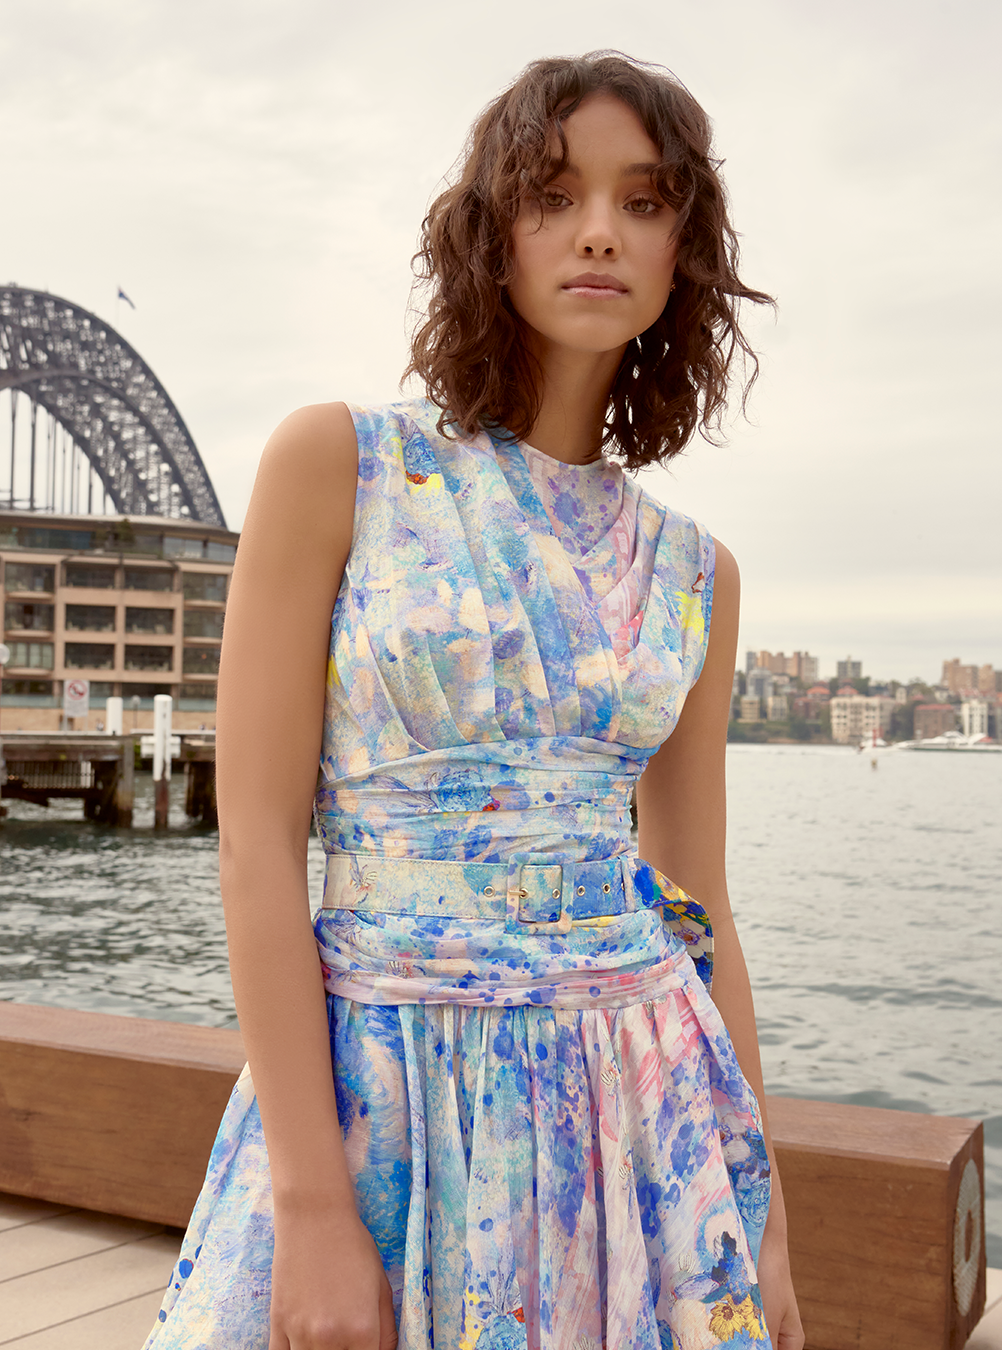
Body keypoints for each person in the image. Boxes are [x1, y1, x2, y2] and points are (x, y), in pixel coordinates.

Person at [144, 51, 804, 1350]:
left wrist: (764, 1213)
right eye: (553, 194)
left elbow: (700, 906)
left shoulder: (694, 572)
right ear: (491, 234)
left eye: (644, 200)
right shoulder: (340, 464)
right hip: (385, 1095)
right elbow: (258, 843)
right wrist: (312, 1205)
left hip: (643, 1118)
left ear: (683, 253)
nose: (600, 230)